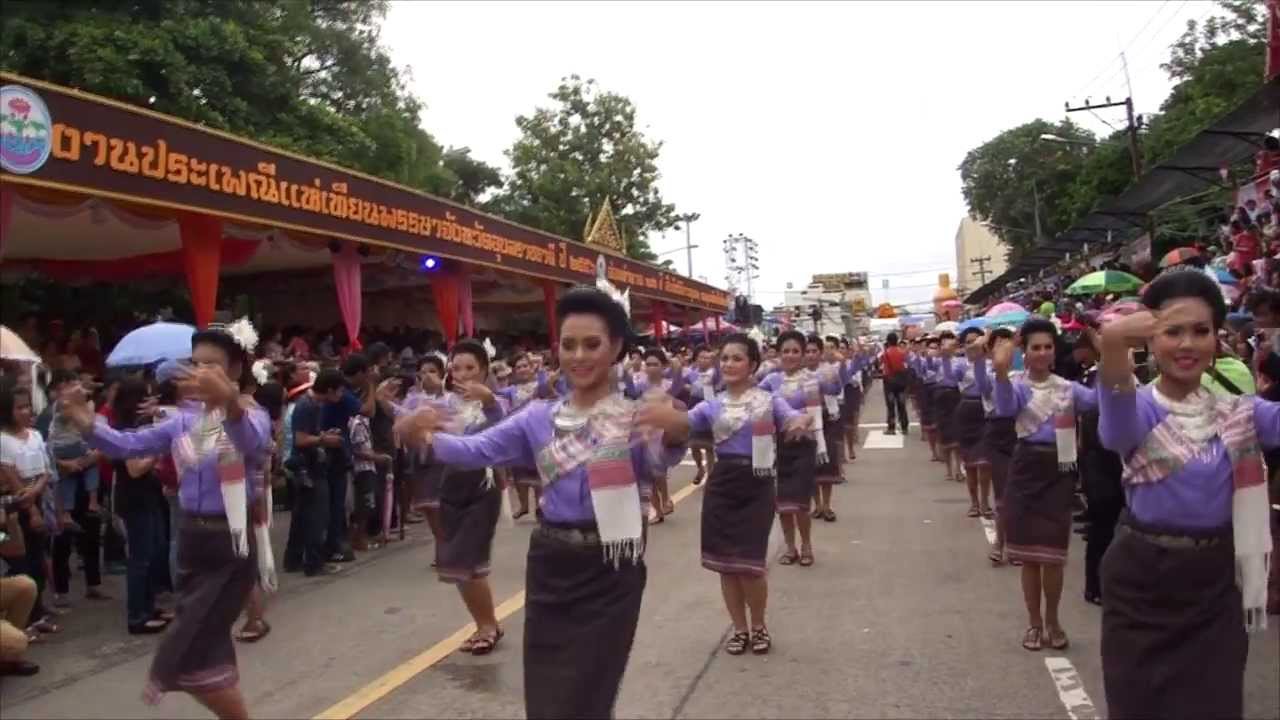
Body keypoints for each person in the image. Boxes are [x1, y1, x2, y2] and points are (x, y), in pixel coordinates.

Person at [395, 286, 686, 720]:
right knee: (548, 692)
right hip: (552, 561)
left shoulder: (632, 415)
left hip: (612, 566)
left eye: (592, 344)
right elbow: (473, 451)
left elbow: (662, 458)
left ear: (617, 348)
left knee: (589, 692)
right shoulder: (537, 418)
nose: (579, 355)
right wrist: (415, 431)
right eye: (569, 344)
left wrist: (677, 425)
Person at [60, 320, 275, 719]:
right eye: (195, 364)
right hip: (192, 540)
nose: (200, 373)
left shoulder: (249, 414)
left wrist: (228, 402)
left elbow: (251, 442)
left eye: (212, 365)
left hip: (229, 543)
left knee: (191, 654)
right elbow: (128, 445)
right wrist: (83, 420)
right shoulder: (183, 420)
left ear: (235, 370)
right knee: (204, 647)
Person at [1097, 269, 1278, 719]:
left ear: (1218, 339)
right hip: (1141, 581)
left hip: (1214, 585)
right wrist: (1116, 341)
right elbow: (1114, 413)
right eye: (1172, 331)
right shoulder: (1137, 408)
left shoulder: (1241, 412)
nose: (1187, 344)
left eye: (1201, 331)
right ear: (1152, 341)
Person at [648, 333, 809, 655]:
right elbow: (682, 425)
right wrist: (654, 416)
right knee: (725, 565)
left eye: (737, 358)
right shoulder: (711, 405)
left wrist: (799, 422)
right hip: (722, 483)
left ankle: (759, 625)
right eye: (725, 359)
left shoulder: (768, 400)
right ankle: (739, 629)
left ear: (752, 364)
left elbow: (793, 416)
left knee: (750, 564)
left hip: (758, 484)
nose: (730, 364)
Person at [990, 317, 1097, 652]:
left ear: (1055, 350)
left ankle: (1053, 620)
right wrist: (1000, 371)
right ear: (1025, 351)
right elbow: (1005, 408)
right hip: (1026, 469)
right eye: (1035, 347)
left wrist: (1109, 356)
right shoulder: (1018, 385)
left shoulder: (1069, 388)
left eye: (1047, 346)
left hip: (1060, 472)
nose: (1041, 352)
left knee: (1053, 555)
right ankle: (1034, 623)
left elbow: (1100, 403)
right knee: (1030, 557)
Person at [110, 377, 174, 635]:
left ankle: (150, 606)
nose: (152, 401)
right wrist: (158, 453)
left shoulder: (142, 427)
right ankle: (137, 615)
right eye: (146, 397)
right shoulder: (126, 430)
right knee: (140, 558)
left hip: (149, 496)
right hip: (134, 500)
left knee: (156, 549)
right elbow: (134, 469)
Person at [759, 330, 826, 566]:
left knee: (800, 502)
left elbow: (814, 414)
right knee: (782, 502)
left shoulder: (811, 380)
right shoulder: (769, 381)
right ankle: (790, 548)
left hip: (804, 445)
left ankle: (806, 545)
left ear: (802, 354)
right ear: (779, 354)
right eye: (785, 351)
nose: (790, 355)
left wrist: (804, 427)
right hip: (778, 448)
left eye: (795, 351)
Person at [0, 382, 59, 639]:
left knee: (39, 557)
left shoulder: (35, 435)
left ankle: (38, 610)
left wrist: (36, 492)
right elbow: (11, 477)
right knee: (20, 562)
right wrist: (30, 505)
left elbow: (46, 471)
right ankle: (23, 619)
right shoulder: (3, 440)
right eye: (19, 407)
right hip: (16, 507)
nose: (25, 412)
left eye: (27, 406)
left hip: (38, 496)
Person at [283, 369, 348, 578]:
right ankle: (313, 562)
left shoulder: (314, 405)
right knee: (316, 516)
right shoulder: (306, 406)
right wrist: (324, 440)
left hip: (310, 464)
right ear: (329, 390)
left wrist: (322, 435)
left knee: (302, 516)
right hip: (306, 466)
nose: (340, 396)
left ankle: (293, 560)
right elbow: (300, 439)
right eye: (338, 391)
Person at [948, 328, 990, 517]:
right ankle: (973, 503)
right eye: (969, 342)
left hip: (986, 411)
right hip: (966, 410)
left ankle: (985, 503)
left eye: (977, 341)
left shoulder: (991, 363)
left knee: (985, 462)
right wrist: (946, 355)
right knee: (971, 463)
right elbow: (950, 377)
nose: (973, 345)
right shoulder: (960, 364)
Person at [880, 332, 909, 435]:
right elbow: (906, 366)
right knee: (902, 405)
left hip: (890, 382)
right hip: (901, 382)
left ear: (888, 341)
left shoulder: (886, 353)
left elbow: (885, 369)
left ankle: (891, 428)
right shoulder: (902, 352)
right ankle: (904, 426)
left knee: (891, 405)